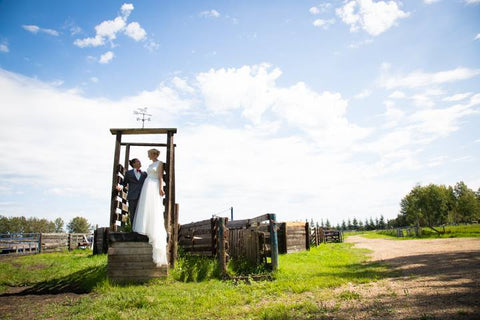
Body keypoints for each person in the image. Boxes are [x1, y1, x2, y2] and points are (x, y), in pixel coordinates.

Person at [133, 148, 168, 265]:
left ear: (154, 154)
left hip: (154, 185)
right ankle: (145, 227)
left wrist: (161, 188)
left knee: (154, 207)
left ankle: (153, 229)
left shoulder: (160, 163)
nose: (148, 155)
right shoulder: (150, 164)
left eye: (149, 154)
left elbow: (160, 176)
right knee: (145, 207)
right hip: (147, 186)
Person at [118, 158, 147, 225]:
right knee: (133, 213)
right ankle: (133, 229)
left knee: (142, 213)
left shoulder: (144, 174)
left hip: (142, 196)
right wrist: (120, 187)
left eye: (139, 161)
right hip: (132, 196)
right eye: (137, 161)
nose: (140, 162)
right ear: (133, 164)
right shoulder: (128, 173)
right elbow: (124, 183)